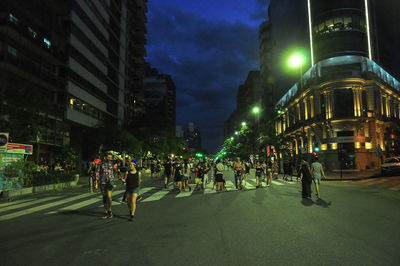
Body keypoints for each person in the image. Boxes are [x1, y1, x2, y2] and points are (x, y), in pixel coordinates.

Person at [95, 152, 116, 219]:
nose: (110, 158)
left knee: (109, 197)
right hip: (103, 182)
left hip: (110, 181)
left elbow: (121, 160)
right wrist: (96, 182)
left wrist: (114, 153)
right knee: (104, 197)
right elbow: (97, 172)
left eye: (110, 157)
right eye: (108, 157)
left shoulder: (112, 163)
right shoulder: (100, 164)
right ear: (105, 157)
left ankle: (109, 210)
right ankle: (106, 212)